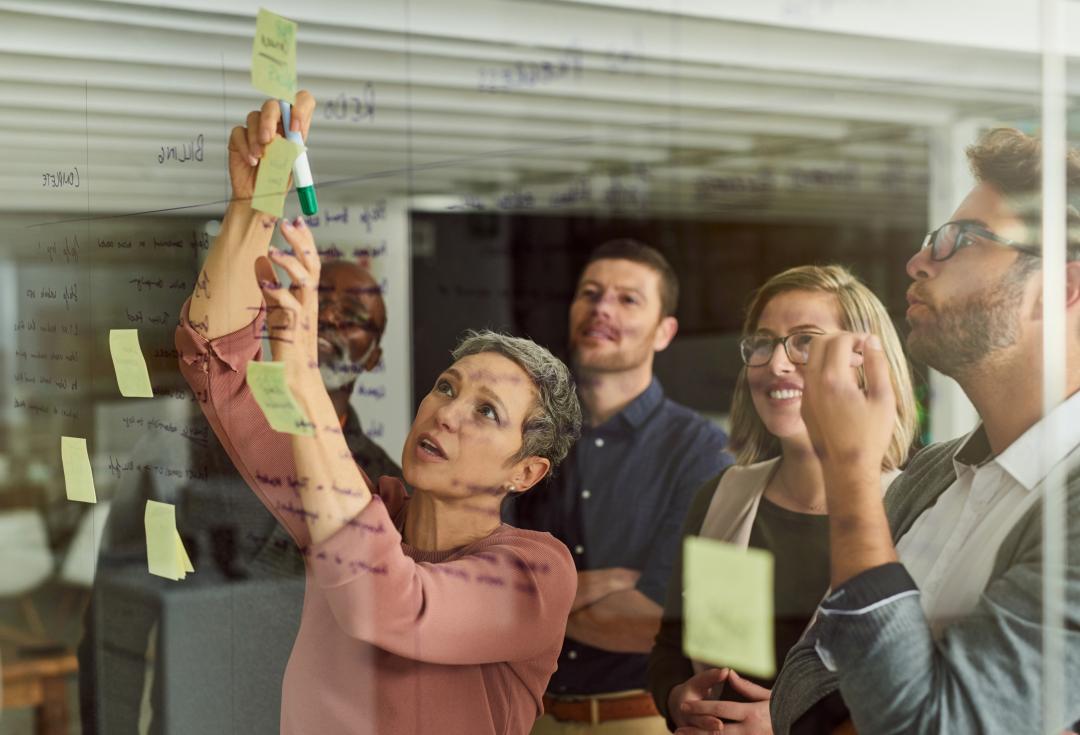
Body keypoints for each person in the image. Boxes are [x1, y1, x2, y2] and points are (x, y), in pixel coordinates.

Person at [174, 92, 582, 735]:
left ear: (525, 472)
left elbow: (388, 602)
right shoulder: (358, 504)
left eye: (486, 411)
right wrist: (253, 211)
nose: (447, 414)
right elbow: (215, 365)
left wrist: (302, 372)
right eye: (446, 387)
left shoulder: (537, 572)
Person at [771, 128, 1080, 733]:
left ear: (1057, 289)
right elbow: (796, 680)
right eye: (929, 241)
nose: (917, 261)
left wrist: (852, 475)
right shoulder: (934, 471)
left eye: (956, 241)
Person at [77, 255, 401, 734]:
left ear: (372, 356)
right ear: (280, 318)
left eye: (354, 319)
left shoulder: (383, 487)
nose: (331, 318)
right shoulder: (183, 447)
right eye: (319, 301)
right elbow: (114, 623)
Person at [647, 264, 918, 734]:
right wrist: (678, 700)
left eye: (806, 341)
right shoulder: (723, 496)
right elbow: (672, 647)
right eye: (763, 342)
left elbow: (914, 693)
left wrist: (791, 724)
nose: (776, 363)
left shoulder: (913, 508)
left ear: (866, 364)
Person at [510, 239, 732, 733]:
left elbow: (658, 623)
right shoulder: (526, 437)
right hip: (525, 719)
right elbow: (478, 580)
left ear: (665, 331)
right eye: (590, 293)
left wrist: (528, 600)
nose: (601, 308)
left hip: (637, 721)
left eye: (628, 299)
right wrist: (602, 586)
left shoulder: (702, 452)